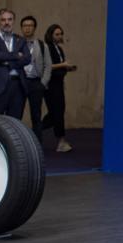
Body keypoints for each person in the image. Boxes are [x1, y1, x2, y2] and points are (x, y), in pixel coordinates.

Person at [0, 9, 30, 119]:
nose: (6, 22)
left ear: (13, 21)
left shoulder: (21, 39)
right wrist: (17, 56)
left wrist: (7, 60)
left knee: (15, 122)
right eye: (3, 20)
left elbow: (27, 58)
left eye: (9, 19)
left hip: (18, 86)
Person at [40, 23, 75, 153]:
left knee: (55, 114)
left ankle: (36, 130)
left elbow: (59, 66)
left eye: (61, 34)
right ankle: (61, 141)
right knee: (57, 113)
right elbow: (46, 66)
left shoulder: (59, 49)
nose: (60, 36)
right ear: (50, 35)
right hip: (50, 85)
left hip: (59, 84)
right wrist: (63, 64)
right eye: (57, 34)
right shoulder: (47, 48)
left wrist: (67, 68)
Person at [20, 16, 52, 142]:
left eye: (30, 25)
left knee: (36, 115)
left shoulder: (42, 45)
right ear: (21, 28)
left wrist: (43, 83)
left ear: (34, 28)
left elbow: (48, 66)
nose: (27, 28)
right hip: (20, 82)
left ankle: (37, 144)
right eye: (25, 25)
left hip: (36, 83)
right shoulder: (17, 43)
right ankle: (17, 143)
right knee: (17, 113)